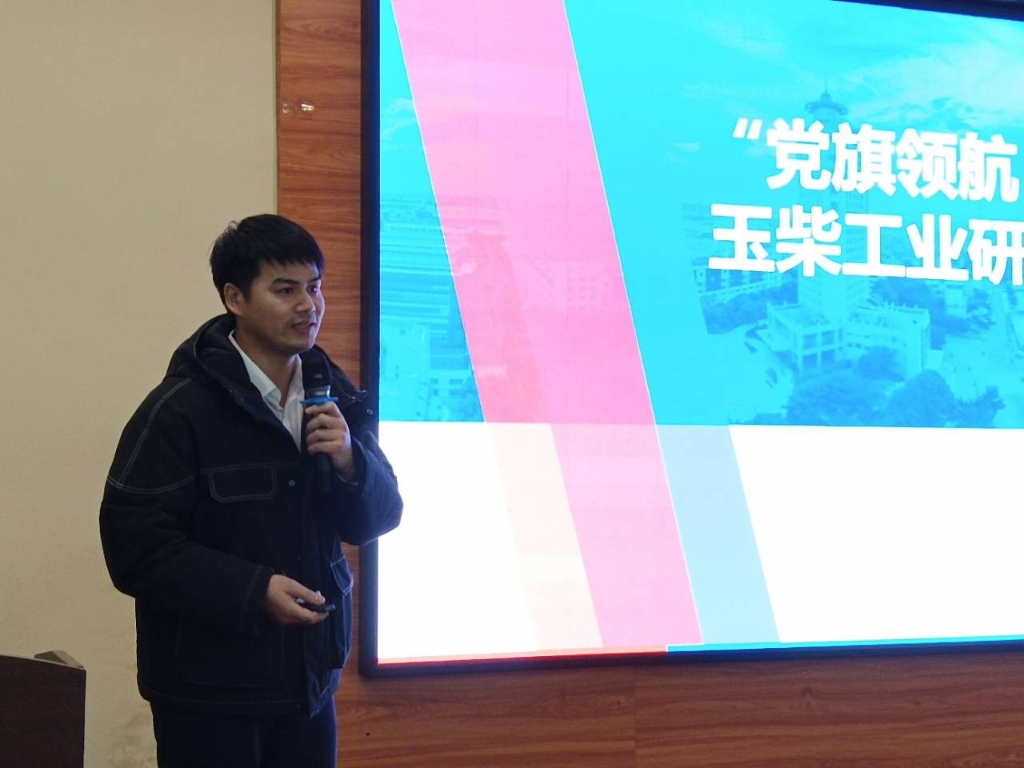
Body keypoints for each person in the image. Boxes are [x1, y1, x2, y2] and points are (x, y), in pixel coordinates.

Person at [99, 214, 403, 767]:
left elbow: (379, 518)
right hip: (208, 695)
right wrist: (254, 590)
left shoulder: (332, 394)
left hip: (310, 686)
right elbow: (135, 548)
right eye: (285, 290)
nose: (308, 305)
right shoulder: (180, 410)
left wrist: (349, 461)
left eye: (314, 287)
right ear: (234, 298)